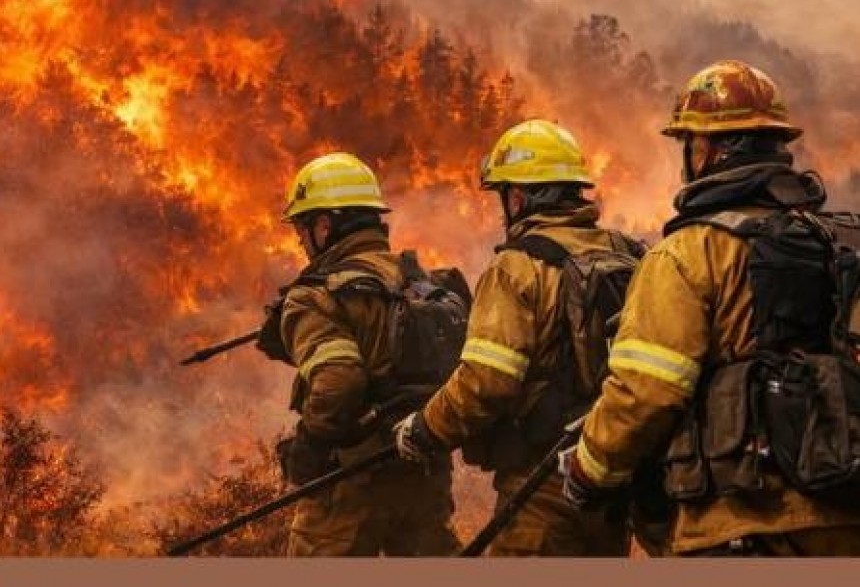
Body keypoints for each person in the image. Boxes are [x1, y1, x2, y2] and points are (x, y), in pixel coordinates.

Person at [561, 59, 860, 556]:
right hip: (844, 520)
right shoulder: (841, 243)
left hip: (739, 521)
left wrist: (587, 469)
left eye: (691, 142)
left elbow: (646, 393)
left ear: (713, 150)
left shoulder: (688, 253)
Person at [394, 119, 643, 556]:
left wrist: (425, 428)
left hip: (542, 484)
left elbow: (486, 381)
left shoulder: (519, 266)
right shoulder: (626, 253)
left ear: (518, 198)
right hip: (609, 480)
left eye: (504, 195)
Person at [271, 152, 460, 557]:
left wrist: (310, 445)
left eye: (302, 228)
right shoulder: (418, 282)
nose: (300, 241)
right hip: (422, 469)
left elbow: (339, 381)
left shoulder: (314, 295)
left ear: (324, 226)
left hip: (350, 479)